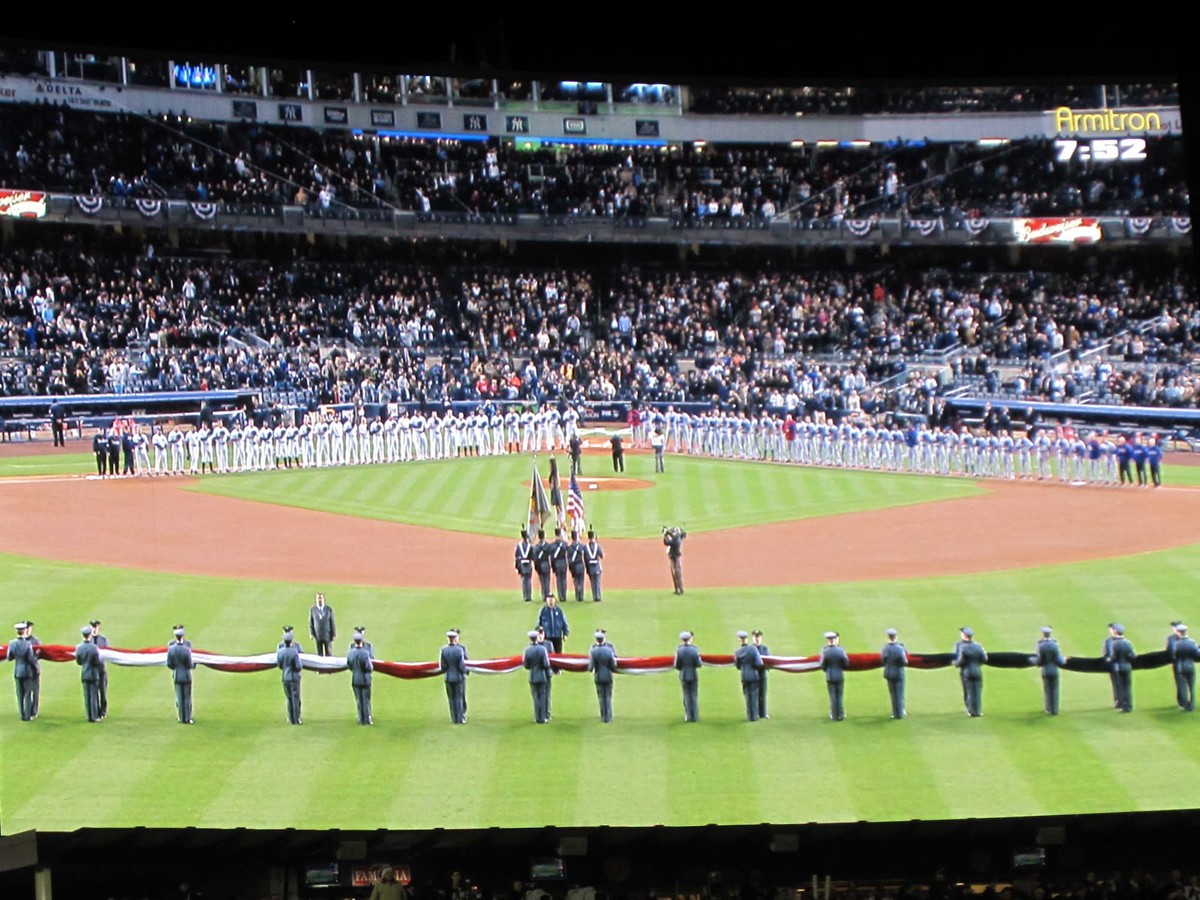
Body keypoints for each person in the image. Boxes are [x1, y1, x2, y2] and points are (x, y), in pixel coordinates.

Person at [954, 627, 987, 717]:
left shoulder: (962, 647)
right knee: (977, 691)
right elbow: (984, 659)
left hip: (966, 672)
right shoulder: (978, 646)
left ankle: (971, 710)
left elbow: (960, 661)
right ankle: (977, 711)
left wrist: (955, 664)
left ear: (965, 635)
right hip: (977, 671)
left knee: (968, 691)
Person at [165, 625, 195, 724]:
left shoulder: (171, 648)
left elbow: (169, 663)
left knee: (179, 697)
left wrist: (175, 668)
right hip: (186, 675)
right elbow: (190, 664)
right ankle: (187, 718)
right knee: (187, 697)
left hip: (177, 675)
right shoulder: (187, 649)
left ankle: (181, 718)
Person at [8, 621, 37, 721]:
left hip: (18, 671)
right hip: (27, 672)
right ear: (24, 631)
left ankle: (22, 714)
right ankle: (27, 715)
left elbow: (9, 657)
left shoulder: (12, 644)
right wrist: (36, 668)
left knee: (20, 694)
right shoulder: (27, 644)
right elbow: (31, 658)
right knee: (28, 694)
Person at [1035, 626, 1067, 715]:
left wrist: (1037, 664)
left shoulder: (1040, 645)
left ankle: (1048, 708)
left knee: (1047, 690)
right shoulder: (1054, 645)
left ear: (1042, 634)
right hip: (1054, 671)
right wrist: (1064, 660)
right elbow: (1058, 660)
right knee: (1054, 690)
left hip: (1045, 671)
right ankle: (1054, 710)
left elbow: (1040, 660)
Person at [734, 630, 764, 721]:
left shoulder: (737, 652)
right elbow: (759, 663)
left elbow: (738, 666)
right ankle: (754, 716)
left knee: (747, 696)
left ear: (740, 640)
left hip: (744, 676)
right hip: (754, 675)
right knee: (754, 695)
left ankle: (749, 716)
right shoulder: (753, 649)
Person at [588, 629, 618, 722]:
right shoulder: (609, 650)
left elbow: (590, 667)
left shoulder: (593, 651)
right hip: (608, 676)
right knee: (608, 696)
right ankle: (608, 717)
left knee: (601, 697)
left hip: (598, 677)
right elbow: (614, 665)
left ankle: (603, 716)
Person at [440, 629, 468, 724]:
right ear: (455, 638)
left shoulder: (444, 650)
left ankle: (453, 718)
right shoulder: (459, 650)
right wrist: (465, 671)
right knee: (459, 698)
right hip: (458, 678)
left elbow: (443, 666)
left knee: (451, 699)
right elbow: (461, 665)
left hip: (448, 678)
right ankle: (460, 719)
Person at [523, 630, 552, 724]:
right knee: (543, 696)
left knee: (535, 697)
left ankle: (537, 717)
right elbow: (546, 664)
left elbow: (526, 665)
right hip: (542, 676)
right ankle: (543, 718)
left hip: (532, 676)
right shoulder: (542, 649)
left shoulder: (527, 650)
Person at [76, 625, 103, 723]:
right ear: (90, 635)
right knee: (93, 695)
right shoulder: (94, 648)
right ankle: (94, 716)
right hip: (93, 674)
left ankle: (88, 715)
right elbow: (97, 661)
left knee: (87, 696)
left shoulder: (79, 647)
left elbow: (78, 662)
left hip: (84, 673)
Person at [1106, 624, 1136, 712]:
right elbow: (1133, 656)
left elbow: (1112, 657)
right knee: (1128, 687)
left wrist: (1108, 659)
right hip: (1127, 667)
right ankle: (1129, 706)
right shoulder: (1128, 643)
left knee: (1119, 687)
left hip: (1117, 667)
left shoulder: (1115, 644)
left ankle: (1122, 705)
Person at [820, 631, 850, 721]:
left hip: (829, 676)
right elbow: (846, 663)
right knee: (839, 695)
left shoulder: (825, 651)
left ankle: (834, 715)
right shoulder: (840, 650)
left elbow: (823, 665)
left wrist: (827, 670)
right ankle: (840, 714)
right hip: (839, 675)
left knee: (832, 696)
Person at [277, 626, 303, 725]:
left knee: (289, 698)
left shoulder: (280, 651)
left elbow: (279, 664)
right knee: (296, 698)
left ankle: (290, 718)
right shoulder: (294, 651)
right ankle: (296, 719)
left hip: (285, 677)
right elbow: (298, 666)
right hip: (294, 677)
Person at [346, 629, 373, 725]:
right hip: (365, 680)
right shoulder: (365, 653)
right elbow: (369, 667)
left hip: (355, 679)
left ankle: (360, 719)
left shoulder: (350, 653)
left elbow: (349, 665)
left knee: (358, 700)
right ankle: (367, 719)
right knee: (366, 699)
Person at [674, 630, 702, 722]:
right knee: (693, 695)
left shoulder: (679, 650)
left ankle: (689, 716)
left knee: (686, 696)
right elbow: (699, 664)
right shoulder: (695, 650)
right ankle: (695, 717)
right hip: (693, 675)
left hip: (684, 675)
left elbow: (677, 665)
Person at [880, 628, 907, 719]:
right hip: (898, 673)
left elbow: (883, 660)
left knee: (893, 694)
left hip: (889, 673)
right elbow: (904, 662)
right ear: (896, 637)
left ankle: (895, 712)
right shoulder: (900, 648)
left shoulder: (885, 648)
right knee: (899, 693)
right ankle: (900, 713)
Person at [1170, 624, 1198, 712]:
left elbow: (1174, 655)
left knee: (1183, 686)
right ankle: (1192, 705)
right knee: (1191, 686)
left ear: (1179, 632)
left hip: (1181, 667)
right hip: (1190, 666)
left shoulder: (1177, 644)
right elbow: (1197, 654)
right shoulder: (1192, 642)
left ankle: (1185, 705)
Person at [91, 619, 109, 719]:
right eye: (93, 627)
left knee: (102, 691)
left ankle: (103, 711)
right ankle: (95, 711)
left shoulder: (103, 640)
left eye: (95, 627)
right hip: (92, 669)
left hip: (101, 669)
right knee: (93, 692)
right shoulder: (88, 640)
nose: (94, 629)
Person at [308, 592, 336, 656]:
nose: (319, 600)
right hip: (318, 635)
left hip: (327, 635)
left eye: (321, 598)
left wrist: (334, 634)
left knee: (328, 653)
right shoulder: (313, 610)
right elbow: (311, 623)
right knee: (319, 653)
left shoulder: (329, 609)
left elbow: (332, 622)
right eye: (318, 598)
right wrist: (311, 634)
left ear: (323, 599)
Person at [1167, 621, 1187, 709]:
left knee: (1180, 683)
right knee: (1185, 683)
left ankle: (1182, 702)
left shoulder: (1171, 639)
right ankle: (1184, 701)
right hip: (1188, 663)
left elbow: (1171, 651)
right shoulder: (1188, 639)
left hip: (1178, 664)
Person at [752, 630, 770, 719]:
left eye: (758, 637)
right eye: (755, 637)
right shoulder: (751, 649)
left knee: (762, 694)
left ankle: (763, 713)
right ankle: (755, 713)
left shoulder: (765, 649)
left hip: (762, 674)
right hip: (754, 674)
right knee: (754, 694)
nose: (757, 639)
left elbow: (768, 661)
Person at [663, 526, 687, 594]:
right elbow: (667, 541)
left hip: (676, 557)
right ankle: (677, 589)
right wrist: (667, 533)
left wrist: (666, 534)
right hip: (672, 556)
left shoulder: (677, 540)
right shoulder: (676, 538)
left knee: (677, 573)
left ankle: (680, 589)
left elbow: (668, 542)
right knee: (674, 573)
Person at [514, 528, 535, 602]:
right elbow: (533, 557)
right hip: (528, 564)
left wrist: (516, 567)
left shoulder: (518, 546)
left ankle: (525, 596)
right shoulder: (530, 546)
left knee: (523, 580)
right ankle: (529, 596)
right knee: (528, 580)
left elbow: (516, 557)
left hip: (521, 565)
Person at [550, 527, 569, 602]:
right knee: (564, 580)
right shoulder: (564, 544)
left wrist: (553, 567)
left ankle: (560, 596)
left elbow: (552, 558)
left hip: (557, 564)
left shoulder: (552, 545)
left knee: (558, 580)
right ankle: (564, 596)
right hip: (563, 563)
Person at [584, 530, 604, 601]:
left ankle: (594, 597)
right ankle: (598, 596)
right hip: (597, 567)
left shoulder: (585, 547)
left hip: (590, 567)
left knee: (592, 582)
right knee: (597, 582)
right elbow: (602, 556)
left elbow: (585, 558)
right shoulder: (597, 546)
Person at [533, 529, 553, 600]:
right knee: (547, 581)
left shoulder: (536, 547)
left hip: (540, 565)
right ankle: (547, 594)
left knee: (542, 581)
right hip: (546, 565)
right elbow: (551, 556)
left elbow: (535, 558)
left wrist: (536, 568)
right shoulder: (548, 546)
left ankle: (544, 595)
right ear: (544, 536)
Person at [568, 532, 587, 602]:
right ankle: (581, 596)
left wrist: (570, 569)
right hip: (580, 565)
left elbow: (569, 560)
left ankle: (577, 595)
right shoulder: (581, 546)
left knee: (576, 581)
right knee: (581, 581)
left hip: (574, 566)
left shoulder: (569, 548)